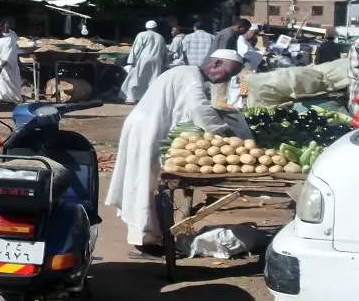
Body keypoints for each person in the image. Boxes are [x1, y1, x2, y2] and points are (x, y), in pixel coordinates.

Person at [106, 50, 253, 254]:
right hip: (146, 130)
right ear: (216, 63)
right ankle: (144, 240)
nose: (226, 79)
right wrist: (223, 132)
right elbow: (198, 108)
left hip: (147, 128)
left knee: (145, 183)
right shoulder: (190, 76)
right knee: (142, 183)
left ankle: (148, 236)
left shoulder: (186, 73)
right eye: (227, 73)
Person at [119, 20, 168, 104]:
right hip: (156, 60)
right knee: (152, 79)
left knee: (135, 78)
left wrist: (131, 61)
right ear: (156, 28)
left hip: (143, 59)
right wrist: (164, 64)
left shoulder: (141, 35)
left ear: (146, 27)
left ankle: (130, 98)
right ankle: (149, 99)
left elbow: (136, 48)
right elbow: (164, 52)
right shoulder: (160, 37)